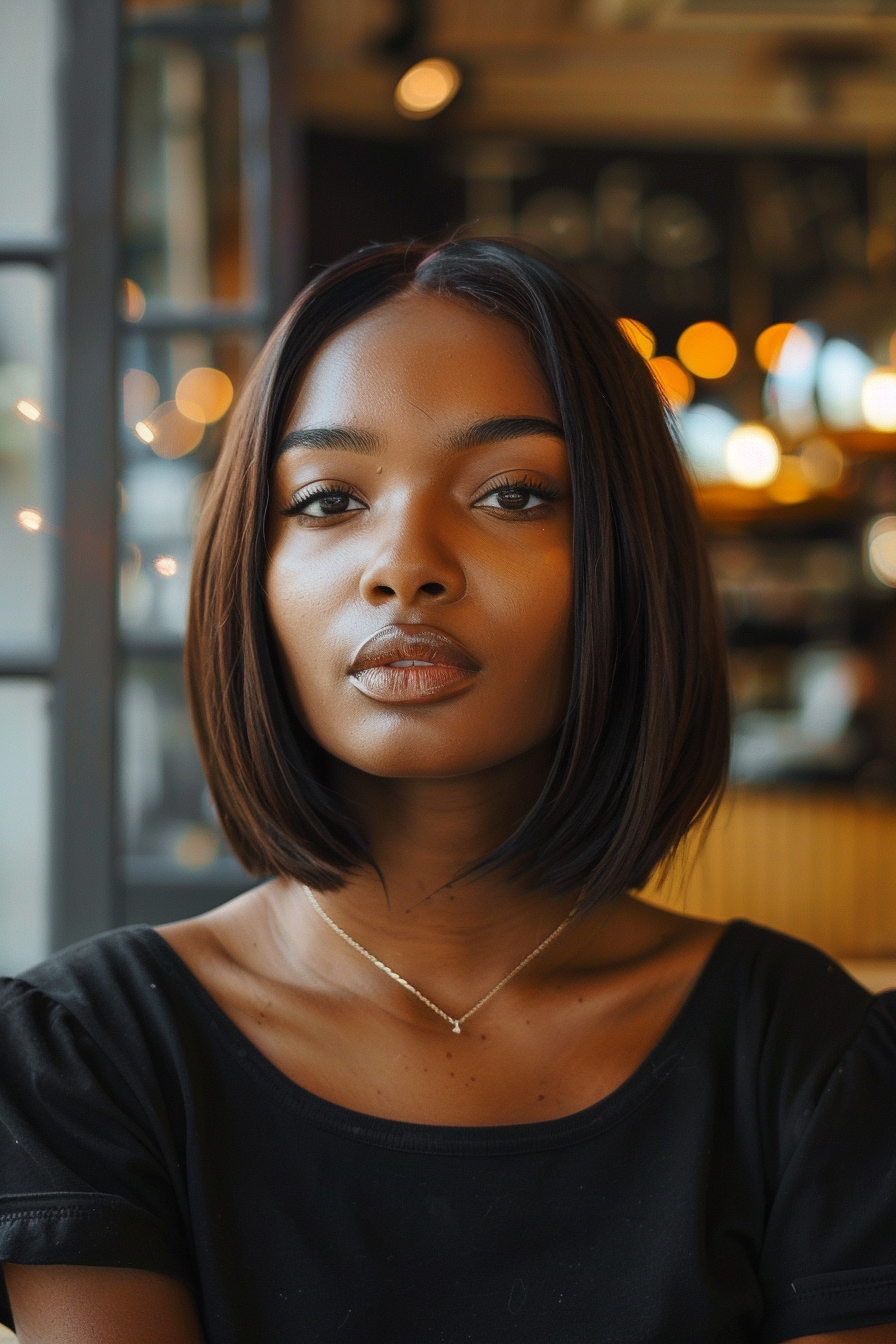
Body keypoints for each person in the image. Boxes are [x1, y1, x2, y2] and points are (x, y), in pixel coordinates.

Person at [1, 239, 895, 1344]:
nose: (405, 563)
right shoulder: (84, 1059)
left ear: (625, 559)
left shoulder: (805, 1061)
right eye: (329, 500)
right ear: (251, 565)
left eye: (512, 494)